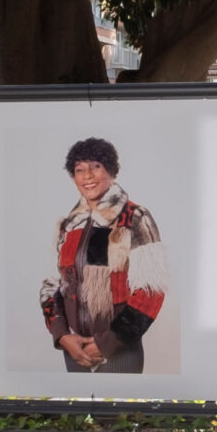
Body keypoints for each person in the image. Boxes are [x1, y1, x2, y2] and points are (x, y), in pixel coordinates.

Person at [42, 137, 169, 372]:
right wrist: (62, 336)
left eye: (96, 166)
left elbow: (151, 291)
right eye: (79, 170)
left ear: (111, 170)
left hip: (119, 352)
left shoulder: (134, 217)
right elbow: (53, 286)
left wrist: (109, 342)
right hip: (75, 351)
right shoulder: (68, 226)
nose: (87, 176)